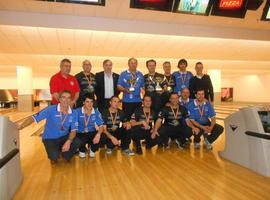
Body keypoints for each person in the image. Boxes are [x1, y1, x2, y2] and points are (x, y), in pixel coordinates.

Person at [17, 90, 81, 163]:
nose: (66, 100)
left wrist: (69, 141)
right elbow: (34, 118)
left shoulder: (74, 113)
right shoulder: (50, 109)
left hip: (64, 137)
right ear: (59, 99)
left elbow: (73, 130)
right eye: (63, 97)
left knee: (77, 142)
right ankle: (56, 153)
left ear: (71, 100)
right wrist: (21, 126)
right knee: (54, 157)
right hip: (50, 138)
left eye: (68, 98)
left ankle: (64, 154)